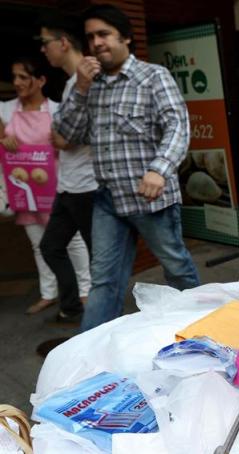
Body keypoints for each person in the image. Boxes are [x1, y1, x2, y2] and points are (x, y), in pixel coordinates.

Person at [53, 4, 200, 332]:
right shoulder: (89, 85)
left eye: (104, 34)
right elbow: (67, 133)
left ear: (127, 38)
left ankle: (203, 328)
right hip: (108, 200)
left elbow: (178, 125)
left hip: (152, 199)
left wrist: (159, 169)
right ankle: (90, 358)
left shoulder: (153, 77)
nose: (97, 43)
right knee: (103, 280)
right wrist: (79, 89)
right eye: (91, 37)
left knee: (176, 268)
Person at [0, 56, 91, 315]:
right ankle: (48, 293)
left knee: (72, 242)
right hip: (23, 190)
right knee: (39, 245)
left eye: (23, 77)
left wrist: (60, 142)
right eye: (14, 77)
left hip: (56, 187)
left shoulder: (55, 109)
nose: (17, 82)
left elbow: (71, 145)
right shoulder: (6, 110)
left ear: (40, 81)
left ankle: (85, 290)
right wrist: (2, 140)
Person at [38, 14, 98, 324]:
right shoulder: (69, 84)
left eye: (45, 43)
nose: (43, 50)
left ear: (63, 43)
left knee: (99, 259)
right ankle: (73, 306)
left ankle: (104, 319)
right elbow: (59, 136)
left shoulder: (87, 79)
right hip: (68, 185)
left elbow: (73, 136)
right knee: (50, 246)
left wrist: (61, 136)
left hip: (88, 186)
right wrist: (60, 136)